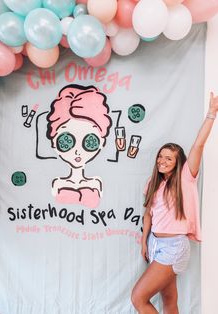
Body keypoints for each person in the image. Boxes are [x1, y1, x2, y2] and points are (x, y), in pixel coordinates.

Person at [131, 92, 218, 314]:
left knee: (138, 298)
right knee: (169, 302)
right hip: (155, 245)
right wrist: (144, 242)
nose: (162, 161)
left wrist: (211, 114)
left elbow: (198, 146)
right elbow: (148, 214)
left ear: (178, 162)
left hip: (174, 247)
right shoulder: (153, 182)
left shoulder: (186, 178)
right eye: (160, 157)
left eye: (169, 158)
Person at [47, 84, 112, 208]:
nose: (77, 151)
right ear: (54, 142)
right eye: (66, 142)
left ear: (102, 142)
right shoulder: (57, 184)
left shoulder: (96, 183)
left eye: (89, 141)